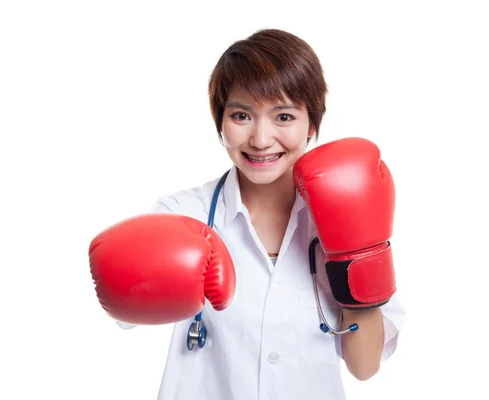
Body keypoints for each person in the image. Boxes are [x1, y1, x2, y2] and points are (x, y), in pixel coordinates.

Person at [89, 28, 406, 400]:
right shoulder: (182, 215)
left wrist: (355, 258)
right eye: (241, 115)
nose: (260, 138)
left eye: (284, 116)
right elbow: (123, 313)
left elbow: (364, 367)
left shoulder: (346, 215)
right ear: (220, 123)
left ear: (312, 126)